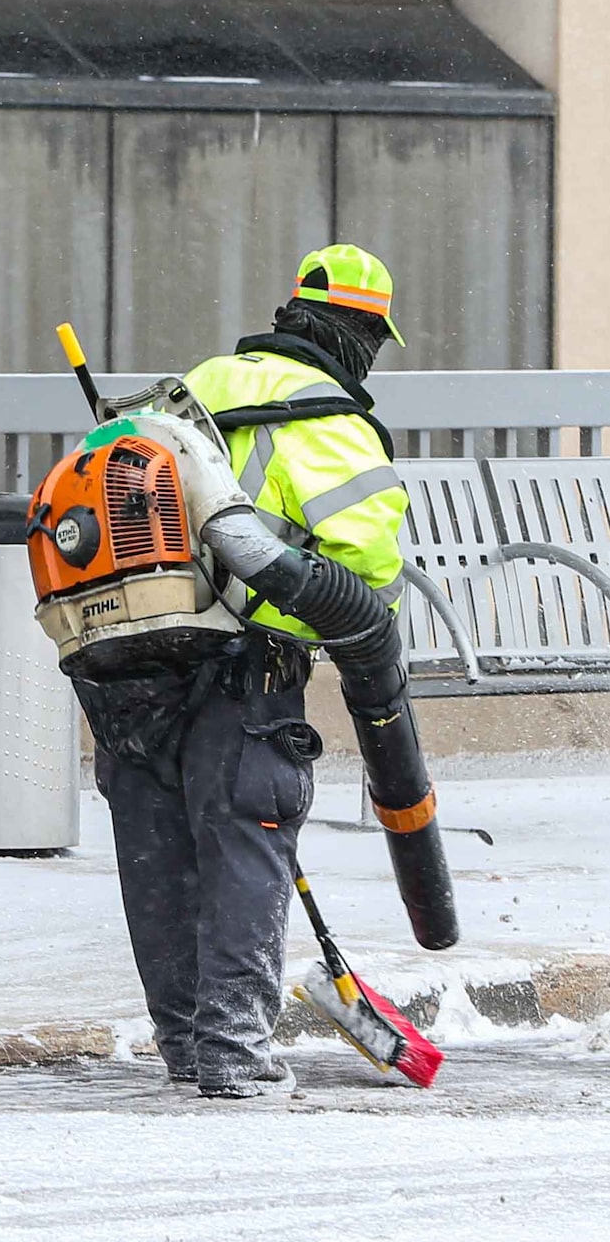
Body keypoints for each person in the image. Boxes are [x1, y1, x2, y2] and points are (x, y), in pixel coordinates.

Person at [95, 244, 414, 1099]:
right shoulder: (332, 426)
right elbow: (367, 574)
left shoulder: (186, 391)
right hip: (247, 670)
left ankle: (184, 1046)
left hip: (128, 665)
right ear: (359, 333)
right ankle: (233, 1053)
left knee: (156, 852)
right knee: (246, 842)